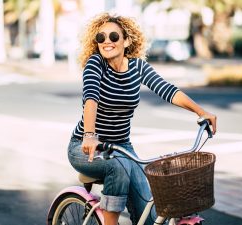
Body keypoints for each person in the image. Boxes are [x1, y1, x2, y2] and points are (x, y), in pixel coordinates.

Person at [67, 12, 217, 225]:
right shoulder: (95, 64)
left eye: (113, 36)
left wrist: (201, 112)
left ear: (127, 40)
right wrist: (90, 135)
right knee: (117, 167)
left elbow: (167, 90)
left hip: (122, 147)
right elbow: (90, 98)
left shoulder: (137, 67)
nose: (107, 41)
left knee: (149, 215)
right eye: (101, 37)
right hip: (86, 147)